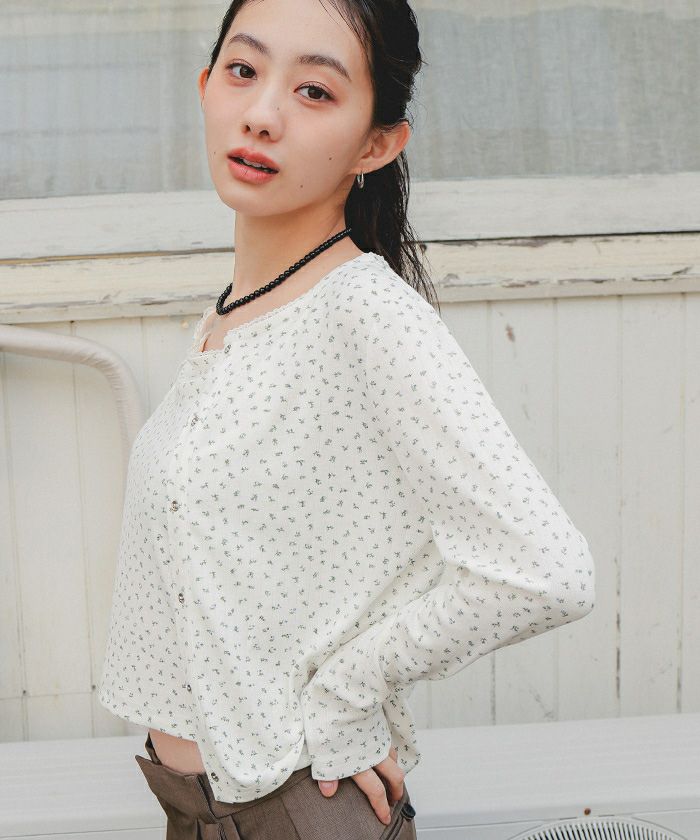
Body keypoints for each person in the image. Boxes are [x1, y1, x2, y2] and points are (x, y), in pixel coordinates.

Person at [98, 0, 596, 838]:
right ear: (206, 85)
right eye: (244, 71)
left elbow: (547, 570)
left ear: (378, 144)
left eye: (315, 92)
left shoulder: (365, 313)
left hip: (294, 810)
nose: (262, 114)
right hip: (198, 807)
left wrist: (346, 692)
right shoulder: (236, 314)